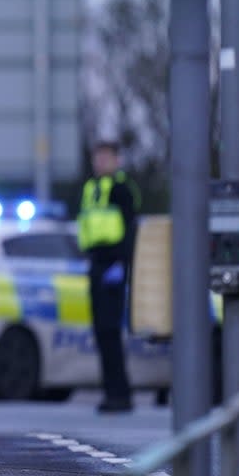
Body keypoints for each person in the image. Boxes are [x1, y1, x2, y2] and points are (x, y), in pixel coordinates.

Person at [77, 140, 141, 413]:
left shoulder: (123, 189)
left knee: (111, 331)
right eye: (97, 157)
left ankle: (120, 394)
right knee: (101, 332)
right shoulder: (91, 189)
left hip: (114, 265)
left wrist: (122, 263)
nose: (100, 162)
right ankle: (111, 392)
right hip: (96, 263)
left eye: (106, 157)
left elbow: (130, 230)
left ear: (117, 160)